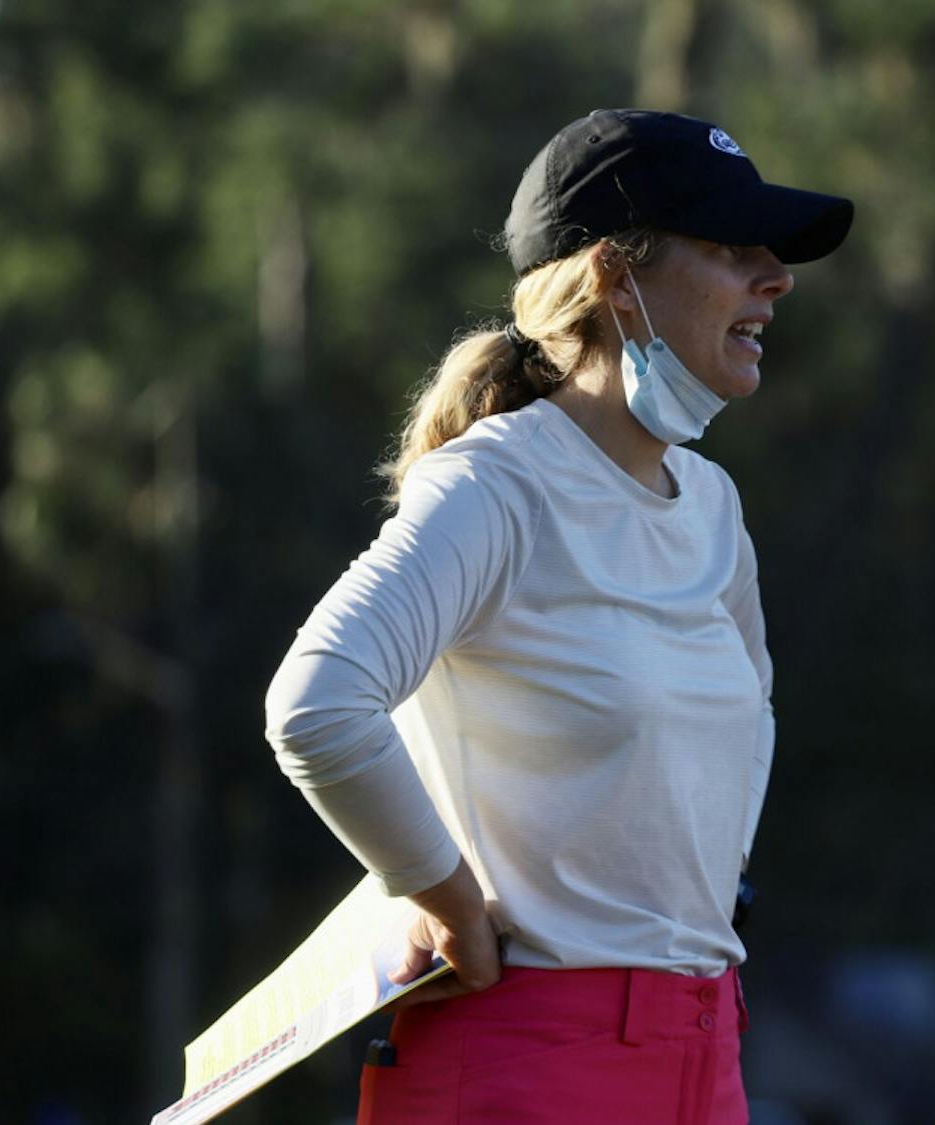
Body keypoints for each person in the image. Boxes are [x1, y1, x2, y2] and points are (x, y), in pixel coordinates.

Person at [264, 108, 853, 1124]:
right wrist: (445, 899)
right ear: (615, 280)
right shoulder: (492, 486)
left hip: (706, 1048)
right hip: (524, 1053)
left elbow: (750, 713)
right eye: (729, 247)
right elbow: (317, 705)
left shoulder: (713, 507)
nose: (776, 277)